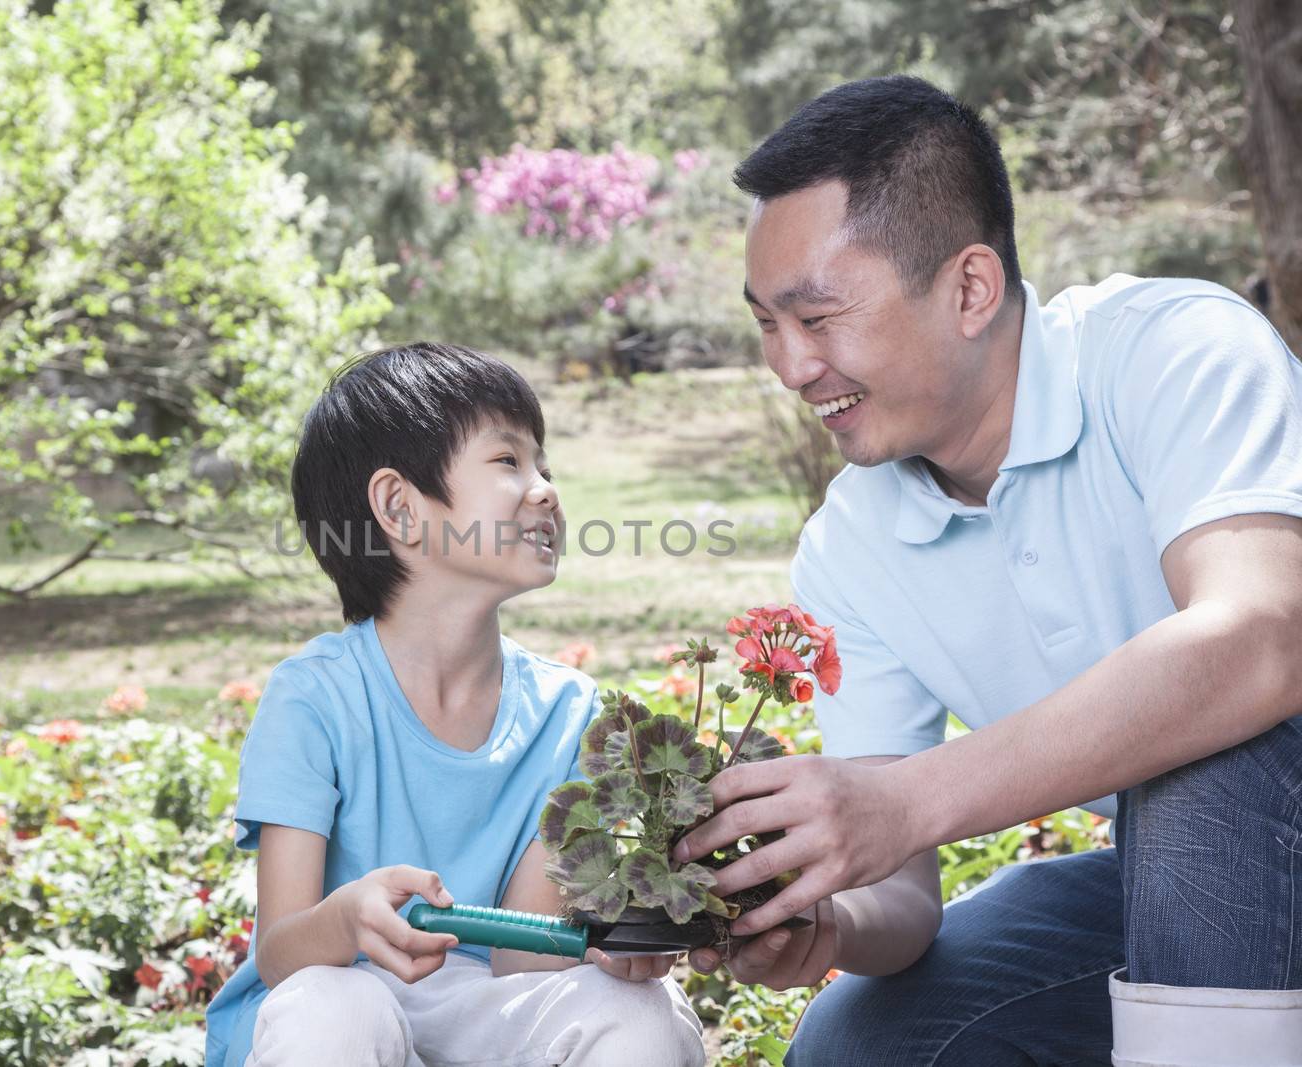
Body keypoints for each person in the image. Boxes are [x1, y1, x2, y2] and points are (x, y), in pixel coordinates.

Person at [670, 75, 1302, 1064]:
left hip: (1245, 820)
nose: (790, 367)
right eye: (766, 324)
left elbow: (1258, 643)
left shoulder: (1172, 350)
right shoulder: (850, 543)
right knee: (865, 1042)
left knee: (1197, 754)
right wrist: (822, 914)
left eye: (819, 315)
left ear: (969, 287)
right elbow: (899, 895)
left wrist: (910, 796)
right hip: (1180, 881)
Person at [203, 342, 705, 1067]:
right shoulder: (313, 698)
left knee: (636, 1010)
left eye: (545, 466)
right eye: (508, 462)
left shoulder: (570, 710)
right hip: (336, 1004)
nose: (544, 489)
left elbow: (517, 959)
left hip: (478, 1009)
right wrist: (345, 920)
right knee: (336, 1005)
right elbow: (282, 952)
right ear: (400, 507)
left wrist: (609, 941)